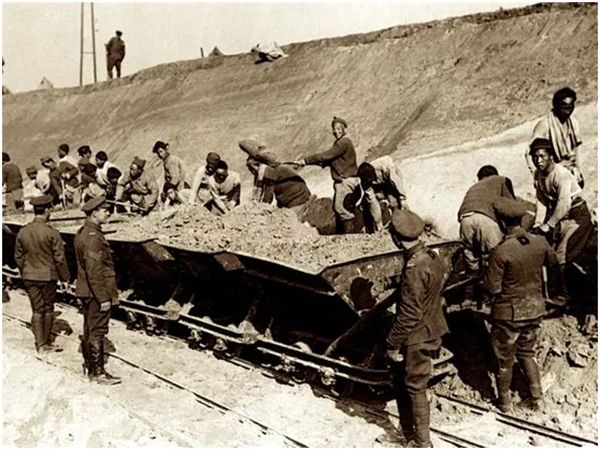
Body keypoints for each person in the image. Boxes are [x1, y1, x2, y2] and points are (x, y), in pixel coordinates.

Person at [483, 198, 558, 412]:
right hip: (535, 309)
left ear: (501, 222)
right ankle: (537, 399)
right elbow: (554, 266)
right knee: (527, 352)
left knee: (504, 359)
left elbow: (492, 288)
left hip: (509, 315)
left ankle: (504, 403)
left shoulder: (501, 251)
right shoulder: (540, 242)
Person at [384, 209, 449, 447]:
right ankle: (409, 433)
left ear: (395, 238)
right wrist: (398, 283)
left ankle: (421, 442)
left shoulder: (413, 267)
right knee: (410, 383)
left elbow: (410, 314)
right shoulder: (431, 256)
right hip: (433, 327)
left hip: (417, 336)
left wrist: (392, 343)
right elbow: (430, 285)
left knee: (414, 386)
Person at [529, 138, 593, 303]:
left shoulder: (561, 175)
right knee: (549, 252)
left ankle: (565, 295)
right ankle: (553, 289)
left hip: (577, 217)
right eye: (535, 157)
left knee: (561, 254)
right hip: (561, 217)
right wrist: (538, 224)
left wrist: (549, 225)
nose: (538, 160)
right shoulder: (538, 174)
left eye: (542, 156)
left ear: (551, 156)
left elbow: (564, 204)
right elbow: (542, 201)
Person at [14, 195, 70, 353]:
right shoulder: (52, 233)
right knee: (48, 308)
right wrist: (65, 278)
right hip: (47, 277)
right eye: (50, 209)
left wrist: (25, 270)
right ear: (46, 211)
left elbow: (18, 256)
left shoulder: (23, 231)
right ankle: (46, 343)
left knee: (37, 310)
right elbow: (59, 259)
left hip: (29, 276)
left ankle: (40, 345)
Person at [74, 196, 120, 385]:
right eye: (104, 210)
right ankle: (98, 373)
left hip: (87, 290)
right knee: (97, 331)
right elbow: (94, 271)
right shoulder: (93, 238)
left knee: (90, 328)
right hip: (96, 293)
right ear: (94, 213)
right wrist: (103, 298)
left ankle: (90, 367)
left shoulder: (84, 232)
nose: (108, 213)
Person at [295, 116, 358, 233]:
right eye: (334, 129)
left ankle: (350, 236)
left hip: (345, 181)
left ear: (344, 129)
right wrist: (308, 163)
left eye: (339, 129)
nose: (336, 131)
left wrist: (306, 161)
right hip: (344, 180)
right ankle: (343, 235)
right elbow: (329, 160)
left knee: (340, 208)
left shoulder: (343, 143)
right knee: (340, 207)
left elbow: (325, 156)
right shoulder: (341, 143)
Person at [457, 165, 518, 272]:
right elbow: (510, 206)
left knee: (471, 255)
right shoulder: (502, 180)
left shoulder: (473, 187)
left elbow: (460, 212)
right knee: (497, 255)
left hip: (465, 219)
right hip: (485, 218)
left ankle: (474, 279)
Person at [528, 87, 584, 188]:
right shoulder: (545, 125)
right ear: (556, 106)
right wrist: (536, 176)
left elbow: (577, 148)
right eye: (564, 108)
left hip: (571, 171)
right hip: (553, 174)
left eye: (570, 107)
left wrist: (579, 170)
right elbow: (529, 152)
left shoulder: (574, 122)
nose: (568, 112)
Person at [357, 156, 408, 231]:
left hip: (391, 180)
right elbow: (373, 202)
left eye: (370, 179)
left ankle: (402, 224)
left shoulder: (386, 169)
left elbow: (397, 183)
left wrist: (403, 199)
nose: (369, 181)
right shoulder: (365, 182)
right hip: (379, 184)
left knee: (394, 202)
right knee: (372, 203)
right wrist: (378, 223)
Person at [246, 156, 311, 210]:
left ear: (258, 165)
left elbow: (268, 195)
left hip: (297, 199)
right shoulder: (268, 170)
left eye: (251, 168)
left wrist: (260, 209)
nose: (251, 171)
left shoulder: (268, 171)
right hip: (297, 196)